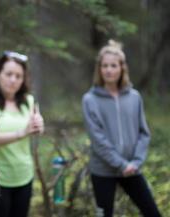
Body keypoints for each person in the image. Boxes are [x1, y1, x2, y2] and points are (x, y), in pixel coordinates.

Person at [82, 40, 162, 217]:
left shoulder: (134, 97)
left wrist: (136, 162)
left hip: (132, 169)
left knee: (152, 212)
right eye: (105, 66)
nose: (109, 70)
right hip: (103, 171)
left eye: (113, 65)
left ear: (122, 68)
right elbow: (98, 140)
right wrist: (121, 164)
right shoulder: (90, 100)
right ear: (99, 69)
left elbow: (144, 132)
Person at [0, 51, 44, 217]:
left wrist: (39, 126)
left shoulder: (28, 101)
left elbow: (38, 129)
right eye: (9, 74)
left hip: (24, 175)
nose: (13, 80)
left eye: (18, 76)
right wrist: (24, 131)